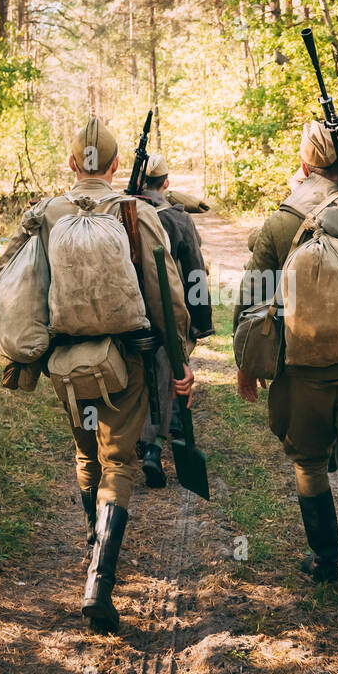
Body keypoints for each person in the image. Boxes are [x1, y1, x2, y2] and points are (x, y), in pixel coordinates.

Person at [0, 118, 194, 634]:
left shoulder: (46, 214)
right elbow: (167, 293)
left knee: (87, 454)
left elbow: (10, 280)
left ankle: (93, 538)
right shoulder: (135, 212)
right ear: (114, 166)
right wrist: (180, 357)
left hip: (65, 364)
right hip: (125, 362)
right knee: (119, 461)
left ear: (70, 164)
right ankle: (99, 582)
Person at [234, 120, 338, 649]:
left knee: (308, 463)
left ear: (305, 164)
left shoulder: (279, 223)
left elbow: (252, 300)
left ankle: (324, 560)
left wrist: (247, 365)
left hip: (301, 375)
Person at [133, 152, 214, 487]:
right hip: (167, 307)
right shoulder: (178, 220)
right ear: (165, 182)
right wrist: (200, 321)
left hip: (130, 309)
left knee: (141, 375)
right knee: (171, 368)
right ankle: (153, 445)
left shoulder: (122, 211)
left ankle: (147, 434)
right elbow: (195, 272)